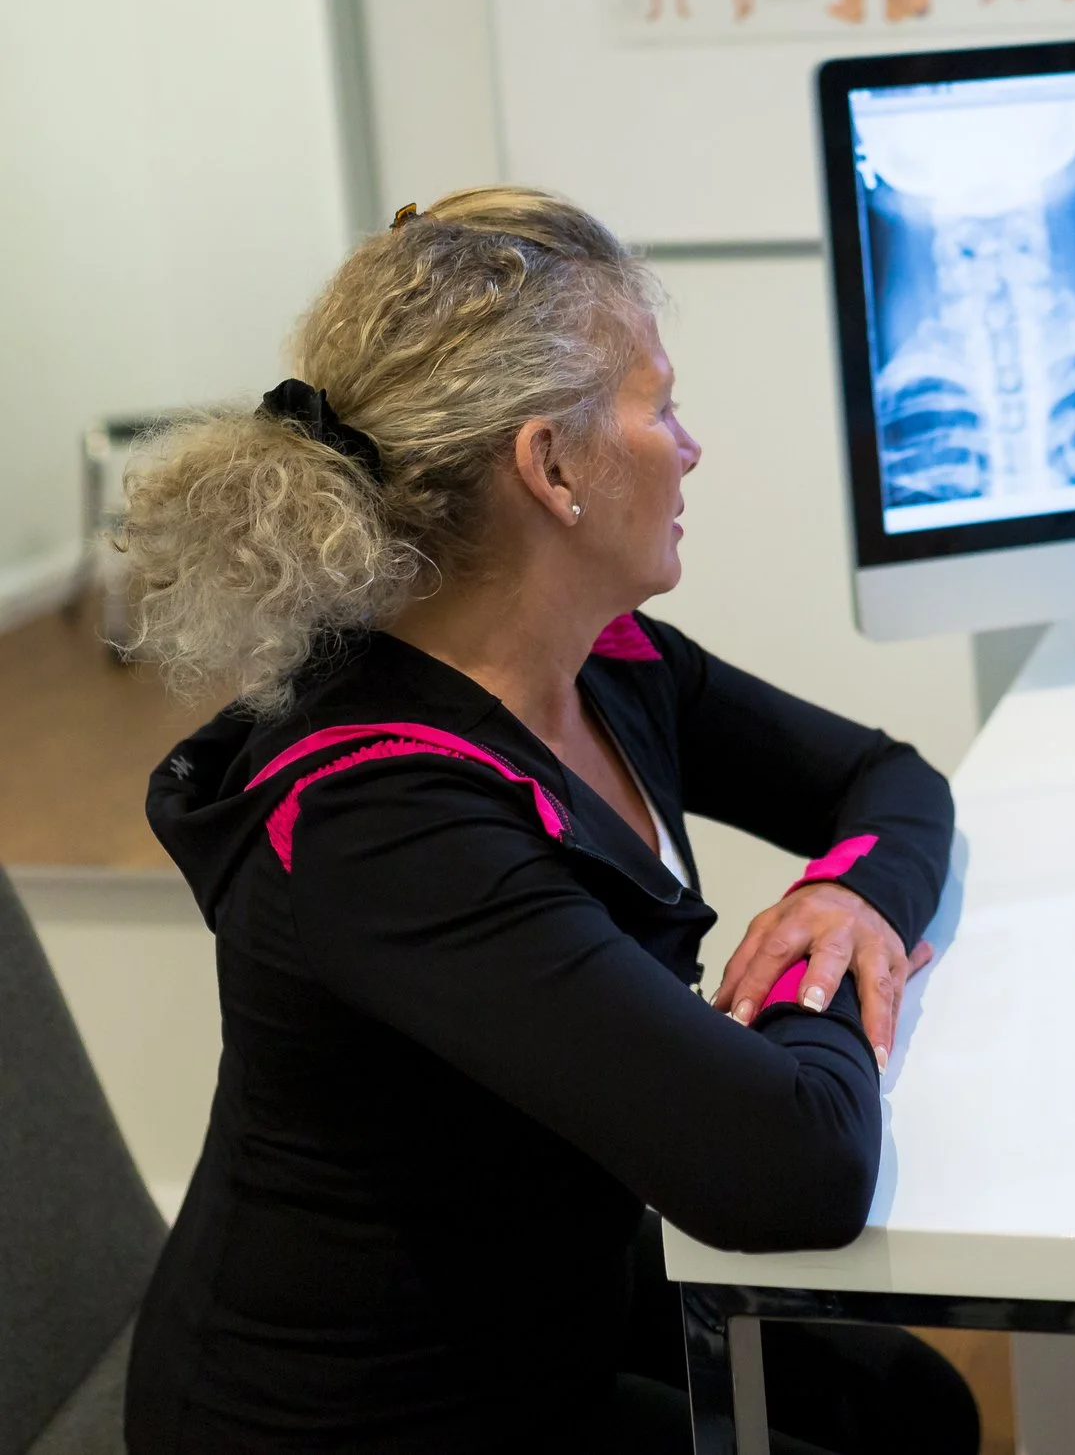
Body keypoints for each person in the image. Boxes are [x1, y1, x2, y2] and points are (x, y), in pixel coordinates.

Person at [118, 189, 979, 1454]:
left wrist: (844, 896)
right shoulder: (380, 820)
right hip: (346, 1415)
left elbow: (889, 780)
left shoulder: (608, 661)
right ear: (552, 465)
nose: (690, 448)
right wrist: (818, 967)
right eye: (659, 405)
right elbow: (794, 1164)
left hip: (534, 1289)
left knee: (907, 1402)